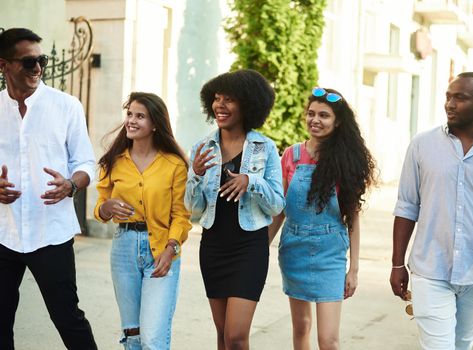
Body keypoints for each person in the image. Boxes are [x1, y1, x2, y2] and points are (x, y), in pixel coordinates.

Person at [390, 72, 473, 350]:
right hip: (430, 269)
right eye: (448, 97)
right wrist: (397, 262)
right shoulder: (422, 145)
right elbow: (406, 206)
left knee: (462, 345)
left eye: (459, 98)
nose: (450, 104)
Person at [0, 28, 98, 349]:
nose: (38, 68)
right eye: (29, 62)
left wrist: (70, 184)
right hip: (4, 232)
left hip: (50, 233)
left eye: (41, 60)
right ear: (4, 65)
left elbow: (86, 163)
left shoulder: (66, 106)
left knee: (67, 317)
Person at [268, 87, 376, 350]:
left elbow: (352, 217)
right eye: (311, 113)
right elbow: (280, 209)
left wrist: (354, 269)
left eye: (324, 115)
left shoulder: (346, 160)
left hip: (330, 253)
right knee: (301, 327)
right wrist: (260, 248)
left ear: (337, 121)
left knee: (328, 340)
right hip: (294, 248)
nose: (315, 120)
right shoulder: (291, 155)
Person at [184, 69, 285, 350]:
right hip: (213, 246)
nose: (220, 105)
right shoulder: (202, 148)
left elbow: (278, 203)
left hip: (249, 248)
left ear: (248, 104)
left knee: (236, 336)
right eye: (217, 99)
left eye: (229, 99)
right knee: (222, 335)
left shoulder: (265, 148)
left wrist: (250, 181)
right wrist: (195, 176)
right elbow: (193, 210)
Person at [94, 92, 192, 349]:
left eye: (140, 116)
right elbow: (100, 208)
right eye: (130, 114)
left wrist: (171, 249)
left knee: (153, 338)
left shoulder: (174, 165)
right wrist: (106, 207)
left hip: (161, 251)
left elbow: (181, 215)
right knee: (133, 336)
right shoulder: (113, 162)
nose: (131, 121)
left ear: (155, 124)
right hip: (123, 249)